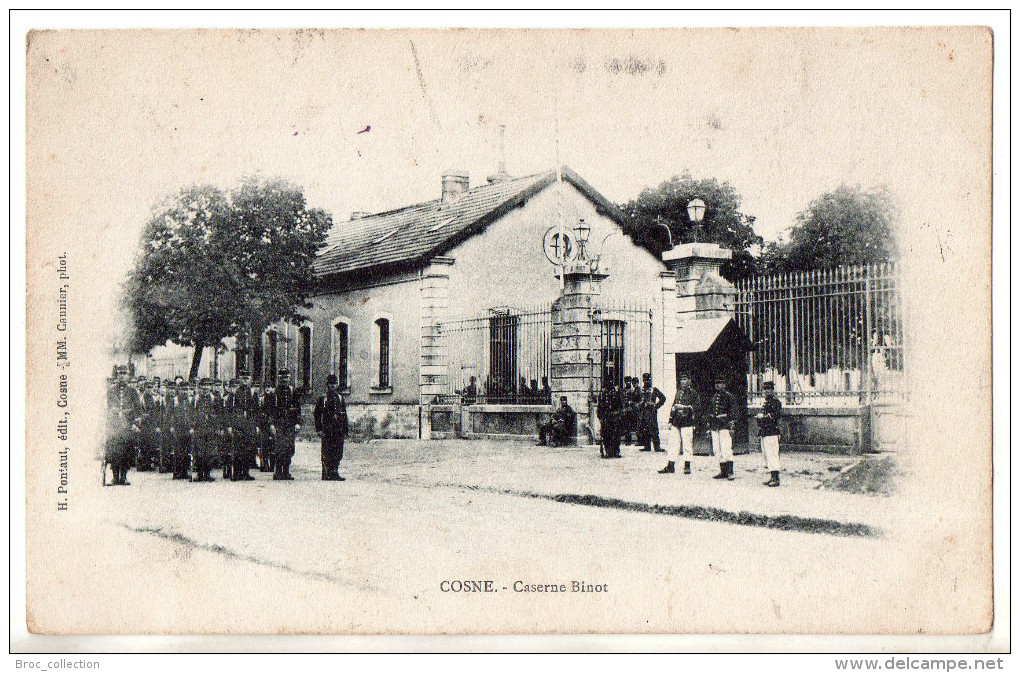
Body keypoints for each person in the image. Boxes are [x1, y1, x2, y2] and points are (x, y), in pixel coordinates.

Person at [661, 373, 701, 474]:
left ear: (689, 381)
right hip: (676, 421)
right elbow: (673, 406)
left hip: (687, 421)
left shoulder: (693, 394)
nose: (683, 381)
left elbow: (697, 407)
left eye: (685, 379)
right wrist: (670, 420)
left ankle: (687, 466)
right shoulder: (678, 392)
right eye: (682, 379)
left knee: (687, 444)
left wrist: (684, 407)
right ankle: (671, 466)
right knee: (673, 444)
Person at [314, 374, 350, 481]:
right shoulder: (323, 399)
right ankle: (326, 472)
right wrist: (319, 429)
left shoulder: (340, 398)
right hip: (327, 429)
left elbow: (344, 415)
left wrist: (345, 429)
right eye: (331, 384)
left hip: (338, 430)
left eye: (334, 384)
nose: (333, 386)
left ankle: (334, 471)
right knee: (327, 451)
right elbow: (317, 414)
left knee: (338, 451)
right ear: (327, 385)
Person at [272, 370, 301, 480]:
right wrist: (271, 424)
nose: (284, 380)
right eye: (282, 378)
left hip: (290, 424)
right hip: (279, 424)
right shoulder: (274, 393)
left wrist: (298, 423)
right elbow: (270, 410)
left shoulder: (293, 392)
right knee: (279, 448)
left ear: (289, 378)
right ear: (279, 379)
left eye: (286, 377)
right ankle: (278, 472)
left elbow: (297, 409)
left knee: (289, 448)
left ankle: (286, 471)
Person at [708, 375, 736, 480]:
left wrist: (729, 422)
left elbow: (734, 412)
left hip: (725, 425)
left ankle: (730, 472)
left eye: (720, 383)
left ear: (724, 385)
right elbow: (710, 412)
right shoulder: (714, 397)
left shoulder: (729, 397)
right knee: (717, 449)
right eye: (716, 383)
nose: (718, 385)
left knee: (726, 448)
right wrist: (709, 425)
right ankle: (723, 471)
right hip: (715, 426)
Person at [757, 381, 783, 487]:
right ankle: (772, 477)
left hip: (772, 432)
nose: (766, 391)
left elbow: (776, 416)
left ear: (772, 390)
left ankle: (776, 479)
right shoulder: (766, 402)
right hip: (765, 432)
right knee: (767, 455)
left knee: (772, 455)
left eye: (768, 389)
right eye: (764, 389)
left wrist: (763, 417)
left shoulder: (775, 402)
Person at [637, 373, 667, 452]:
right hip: (643, 412)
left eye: (648, 380)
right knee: (645, 429)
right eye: (644, 380)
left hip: (651, 412)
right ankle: (647, 446)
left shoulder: (654, 389)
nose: (646, 382)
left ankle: (657, 447)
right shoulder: (641, 390)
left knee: (654, 429)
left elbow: (663, 398)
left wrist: (656, 406)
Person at [596, 380, 623, 458]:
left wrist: (619, 415)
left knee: (616, 435)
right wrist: (600, 417)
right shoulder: (602, 393)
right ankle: (608, 451)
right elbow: (599, 406)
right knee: (606, 435)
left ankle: (616, 451)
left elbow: (620, 405)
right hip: (606, 417)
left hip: (615, 417)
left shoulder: (616, 393)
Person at [623, 377, 641, 445]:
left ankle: (639, 440)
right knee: (626, 426)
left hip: (633, 410)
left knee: (636, 425)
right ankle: (628, 440)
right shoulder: (624, 390)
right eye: (626, 382)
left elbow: (637, 400)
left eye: (629, 382)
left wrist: (631, 403)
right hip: (627, 410)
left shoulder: (634, 390)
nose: (628, 383)